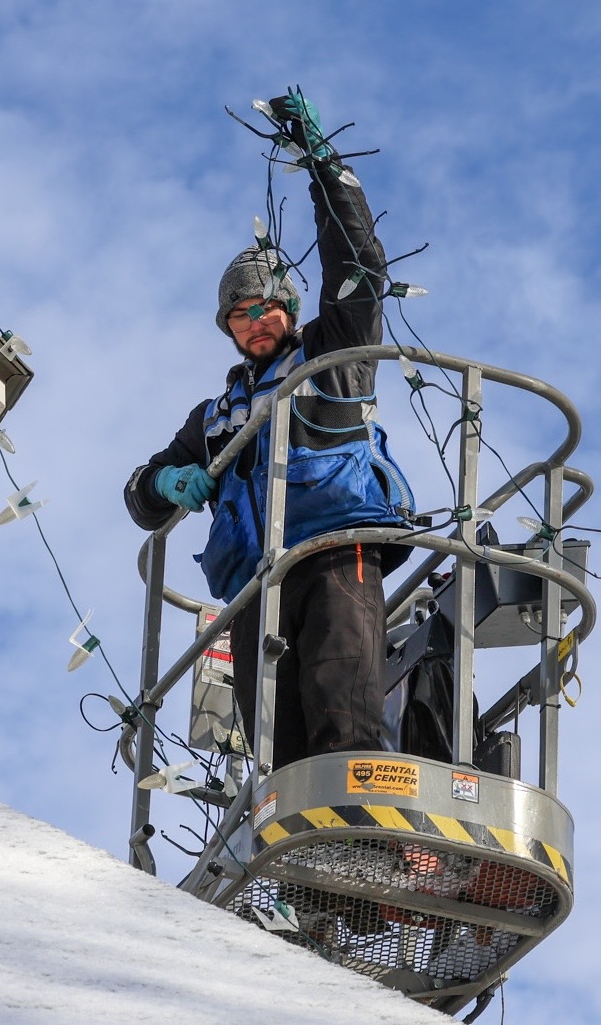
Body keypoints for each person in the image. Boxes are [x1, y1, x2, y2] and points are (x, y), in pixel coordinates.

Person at [124, 90, 412, 771]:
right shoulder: (215, 414)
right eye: (238, 314)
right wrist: (166, 480)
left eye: (266, 307)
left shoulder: (332, 351)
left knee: (340, 698)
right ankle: (301, 856)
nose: (255, 321)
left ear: (289, 307)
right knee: (272, 737)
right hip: (255, 577)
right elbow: (140, 498)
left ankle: (361, 832)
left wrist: (322, 166)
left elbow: (360, 267)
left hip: (337, 544)